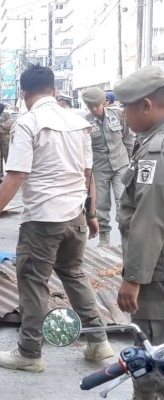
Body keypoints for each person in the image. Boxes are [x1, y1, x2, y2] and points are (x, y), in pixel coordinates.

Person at [0, 65, 113, 373]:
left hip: (42, 220)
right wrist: (91, 213)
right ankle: (98, 341)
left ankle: (29, 352)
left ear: (24, 94)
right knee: (74, 274)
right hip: (75, 214)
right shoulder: (78, 122)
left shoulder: (29, 122)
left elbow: (17, 174)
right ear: (53, 90)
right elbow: (87, 173)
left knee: (34, 283)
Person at [114, 65, 164, 400]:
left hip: (155, 275)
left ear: (146, 105)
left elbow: (149, 217)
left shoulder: (155, 150)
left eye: (127, 108)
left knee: (149, 359)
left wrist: (133, 278)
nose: (124, 115)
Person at [82, 87, 134, 246]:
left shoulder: (118, 115)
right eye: (90, 106)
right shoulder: (86, 122)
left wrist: (130, 158)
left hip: (120, 164)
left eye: (96, 106)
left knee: (123, 199)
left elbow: (127, 137)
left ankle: (126, 234)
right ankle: (104, 237)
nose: (94, 109)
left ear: (104, 102)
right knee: (102, 204)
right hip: (99, 168)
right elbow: (85, 147)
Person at [0, 103, 13, 168]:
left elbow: (9, 125)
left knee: (6, 154)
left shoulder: (6, 114)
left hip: (4, 136)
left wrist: (0, 125)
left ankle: (9, 170)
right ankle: (0, 172)